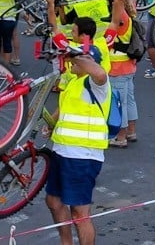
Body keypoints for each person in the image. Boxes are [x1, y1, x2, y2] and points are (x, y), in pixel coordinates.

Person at [45, 43, 110, 245]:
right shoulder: (74, 82)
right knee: (54, 202)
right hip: (62, 152)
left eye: (78, 59)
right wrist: (49, 123)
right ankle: (66, 243)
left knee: (79, 212)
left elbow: (100, 73)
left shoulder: (97, 84)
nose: (72, 62)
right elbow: (63, 109)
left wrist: (74, 55)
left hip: (83, 156)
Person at [105, 0, 139, 147]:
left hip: (117, 68)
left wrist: (116, 0)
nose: (111, 2)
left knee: (120, 104)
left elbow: (111, 29)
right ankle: (132, 131)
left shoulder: (121, 17)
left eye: (113, 0)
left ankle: (121, 137)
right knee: (130, 101)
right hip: (129, 66)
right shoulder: (129, 17)